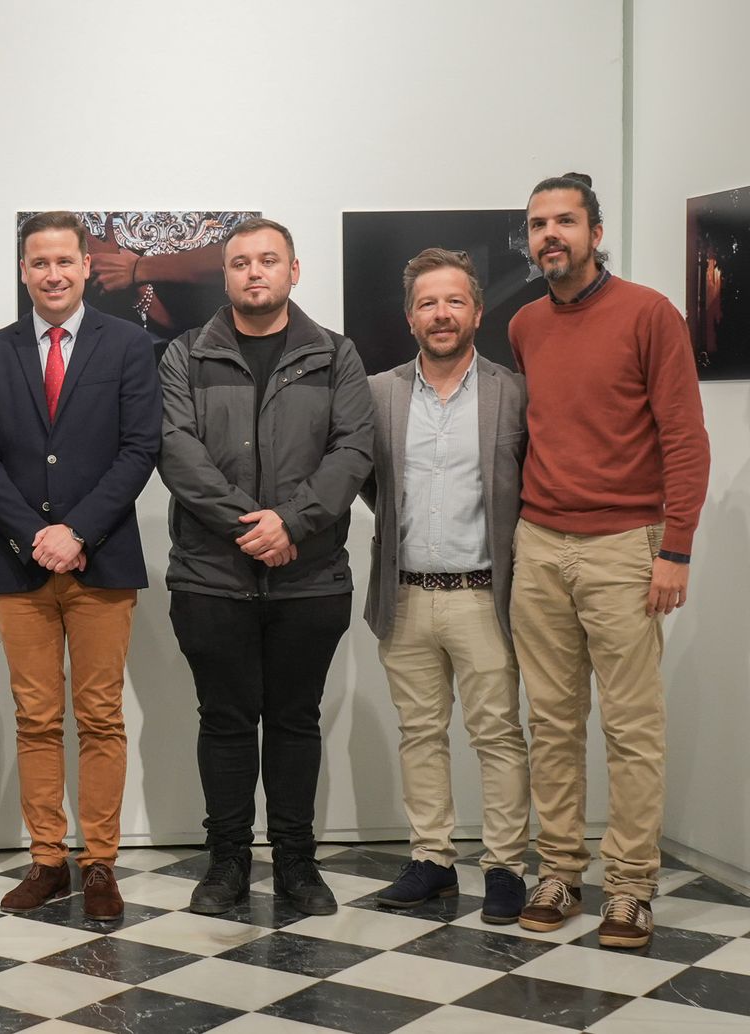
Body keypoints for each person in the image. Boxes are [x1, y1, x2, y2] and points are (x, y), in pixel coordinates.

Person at [509, 174, 710, 948]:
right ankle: (559, 871)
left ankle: (630, 888)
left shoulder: (648, 313)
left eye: (564, 221)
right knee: (551, 722)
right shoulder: (525, 325)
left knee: (632, 726)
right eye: (537, 224)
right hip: (540, 541)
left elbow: (686, 439)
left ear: (596, 230)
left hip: (628, 545)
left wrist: (677, 550)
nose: (549, 235)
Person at [158, 217, 373, 917]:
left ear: (293, 271)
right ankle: (225, 864)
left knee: (294, 721)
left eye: (268, 260)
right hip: (210, 575)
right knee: (222, 721)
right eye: (241, 262)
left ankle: (296, 867)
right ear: (225, 276)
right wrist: (252, 527)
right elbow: (178, 453)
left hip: (308, 579)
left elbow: (352, 453)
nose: (255, 272)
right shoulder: (186, 355)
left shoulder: (335, 355)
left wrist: (294, 523)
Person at [0, 211, 161, 922]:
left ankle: (99, 861)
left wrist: (75, 530)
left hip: (101, 562)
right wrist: (33, 535)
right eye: (38, 262)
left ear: (85, 267)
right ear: (25, 271)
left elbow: (140, 449)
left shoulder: (129, 346)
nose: (51, 274)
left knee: (101, 717)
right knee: (37, 717)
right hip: (22, 568)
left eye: (64, 262)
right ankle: (48, 858)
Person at [360, 248, 531, 923]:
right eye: (428, 303)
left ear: (477, 312)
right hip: (404, 595)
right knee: (420, 732)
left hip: (483, 595)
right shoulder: (379, 392)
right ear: (410, 318)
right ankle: (432, 859)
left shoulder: (510, 391)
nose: (441, 313)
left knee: (497, 735)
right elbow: (372, 484)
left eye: (454, 301)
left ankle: (506, 866)